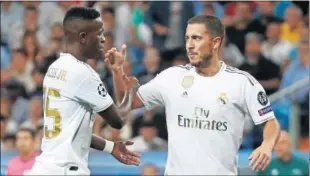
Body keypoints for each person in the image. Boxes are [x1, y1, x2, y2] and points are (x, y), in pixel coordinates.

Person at [105, 15, 280, 175]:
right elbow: (127, 103)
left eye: (196, 38)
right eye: (187, 38)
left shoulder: (242, 83)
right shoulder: (171, 77)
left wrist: (266, 145)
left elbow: (270, 123)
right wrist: (117, 72)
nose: (189, 45)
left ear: (215, 42)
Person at [29, 7, 140, 175]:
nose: (103, 39)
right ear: (83, 37)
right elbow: (118, 120)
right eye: (99, 33)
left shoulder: (55, 68)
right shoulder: (83, 74)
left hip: (46, 167)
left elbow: (72, 132)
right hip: (65, 170)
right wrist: (126, 87)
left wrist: (111, 147)